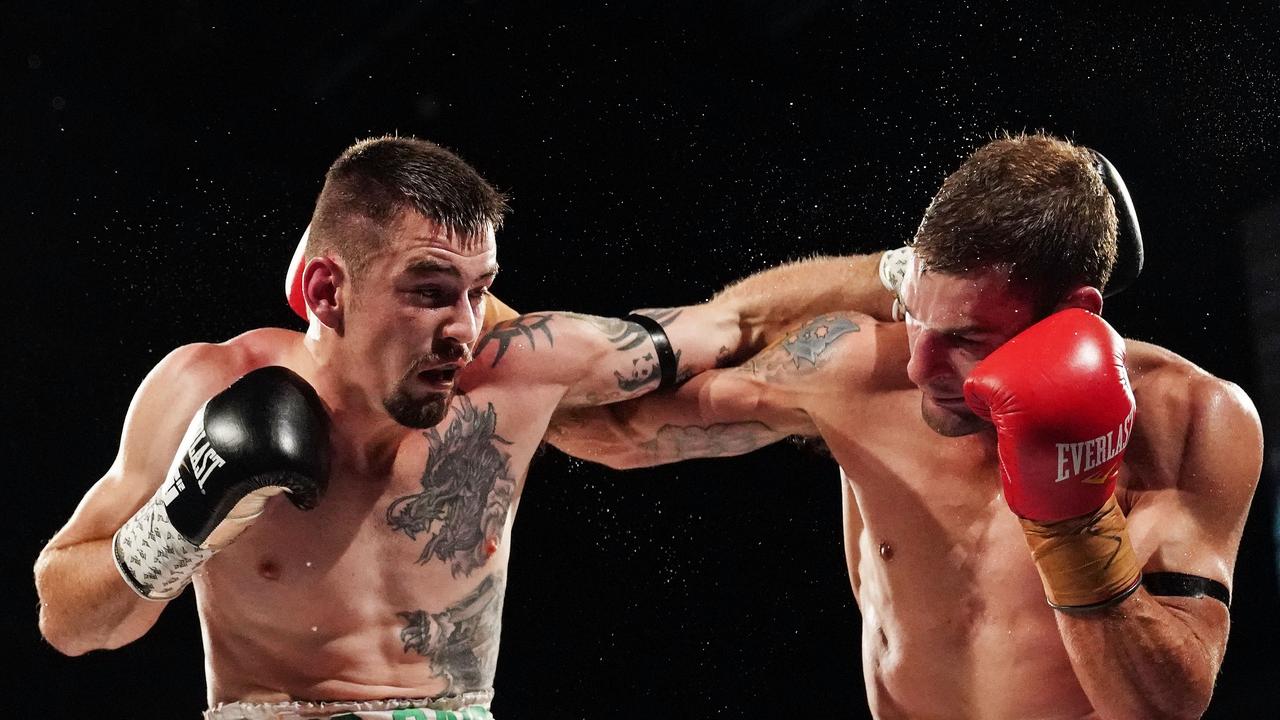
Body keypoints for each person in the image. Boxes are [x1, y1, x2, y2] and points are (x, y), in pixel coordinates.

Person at [33, 135, 897, 719]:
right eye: (430, 291)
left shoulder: (515, 370)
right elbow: (68, 620)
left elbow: (726, 329)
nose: (465, 326)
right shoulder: (208, 387)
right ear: (330, 292)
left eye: (480, 289)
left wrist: (916, 277)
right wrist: (178, 522)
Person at [548, 133, 1264, 720]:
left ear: (1075, 311)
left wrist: (1072, 527)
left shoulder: (1190, 421)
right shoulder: (858, 371)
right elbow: (612, 430)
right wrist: (471, 343)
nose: (922, 368)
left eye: (968, 337)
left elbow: (1168, 708)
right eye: (916, 317)